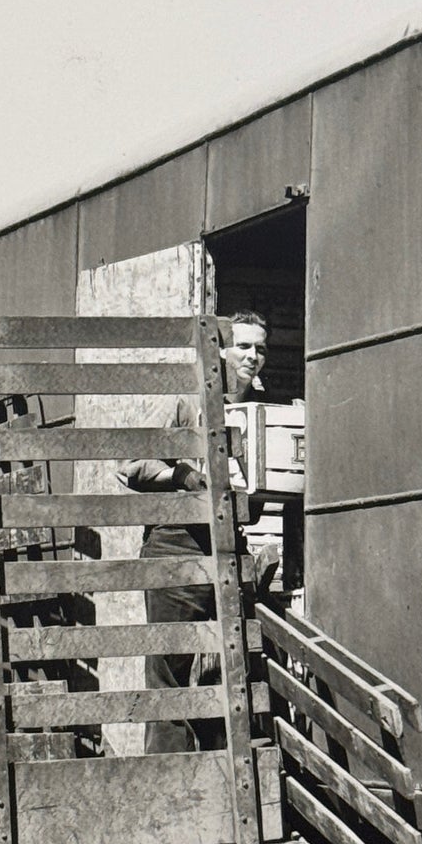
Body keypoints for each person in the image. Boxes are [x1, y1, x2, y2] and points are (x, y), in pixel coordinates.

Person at [120, 311, 269, 752]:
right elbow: (131, 465)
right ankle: (167, 778)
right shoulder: (186, 398)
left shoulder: (255, 409)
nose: (252, 356)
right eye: (243, 345)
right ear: (218, 349)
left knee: (227, 662)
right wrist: (183, 475)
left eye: (260, 348)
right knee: (171, 663)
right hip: (176, 541)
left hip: (228, 545)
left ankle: (218, 779)